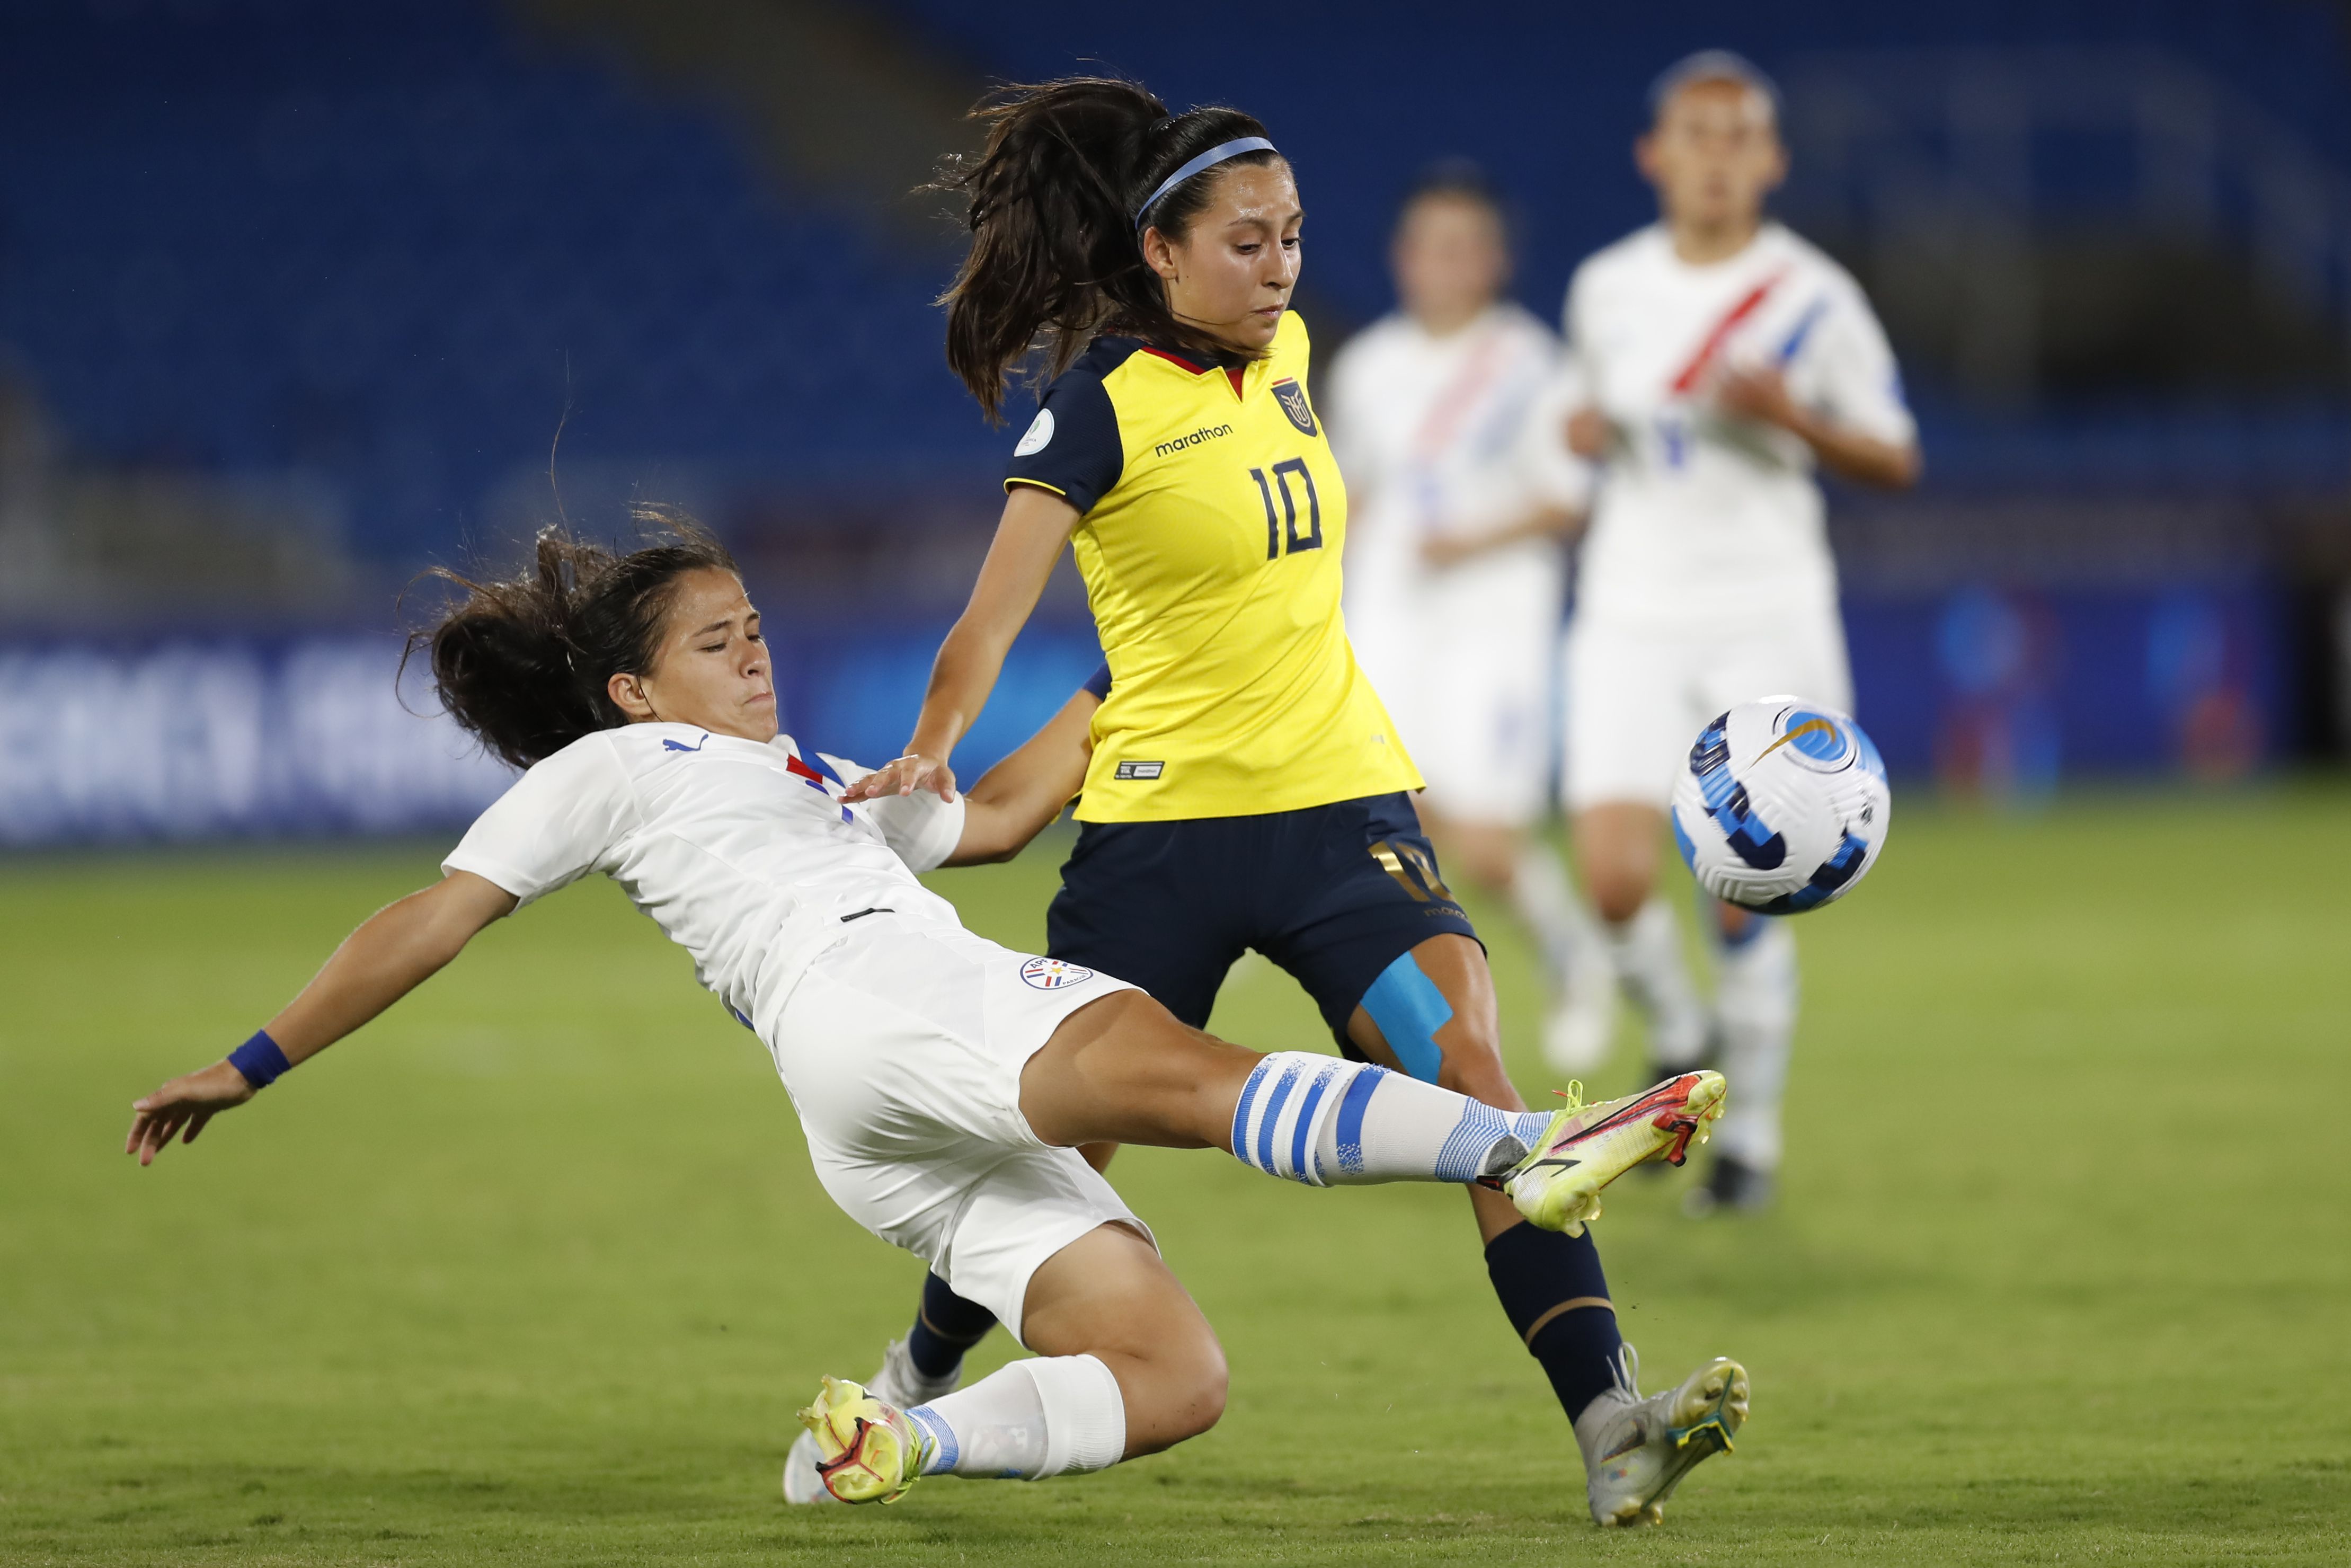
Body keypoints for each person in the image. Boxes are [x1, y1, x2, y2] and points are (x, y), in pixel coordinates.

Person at [120, 519, 1736, 1512]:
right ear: (631, 692)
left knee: (1173, 1376)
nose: (751, 648)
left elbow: (1003, 816)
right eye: (713, 639)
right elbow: (432, 917)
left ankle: (890, 1443)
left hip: (864, 1124)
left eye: (754, 626)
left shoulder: (809, 784)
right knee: (1173, 1074)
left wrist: (1148, 678)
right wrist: (252, 1061)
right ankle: (1523, 1147)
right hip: (881, 999)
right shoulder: (610, 772)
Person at [808, 76, 1748, 1526]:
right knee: (1055, 1154)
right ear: (1158, 254)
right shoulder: (1096, 408)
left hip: (1339, 815)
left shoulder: (1295, 351)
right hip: (1153, 847)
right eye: (1245, 242)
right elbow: (991, 624)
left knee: (1478, 1086)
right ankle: (914, 1379)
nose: (1280, 266)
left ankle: (1611, 1418)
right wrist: (938, 746)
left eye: (1293, 235)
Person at [1556, 51, 1920, 1212]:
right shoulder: (1606, 286)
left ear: (1769, 160)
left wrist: (1790, 417)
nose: (1714, 157)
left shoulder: (1813, 294)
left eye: (1736, 137)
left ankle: (1749, 1136)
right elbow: (1596, 419)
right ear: (1653, 155)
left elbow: (1896, 455)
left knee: (1747, 891)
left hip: (1763, 606)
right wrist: (1581, 432)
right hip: (1628, 603)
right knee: (1611, 878)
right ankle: (1674, 1029)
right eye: (1693, 136)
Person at [1327, 161, 1615, 1074]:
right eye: (1427, 246)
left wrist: (1473, 539)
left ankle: (1578, 960)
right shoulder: (1368, 366)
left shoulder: (1532, 365)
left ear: (1492, 260)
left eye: (1462, 247)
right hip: (1390, 618)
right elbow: (1348, 492)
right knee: (1392, 830)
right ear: (1403, 257)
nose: (1442, 264)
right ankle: (1431, 1038)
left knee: (1487, 845)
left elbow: (1571, 497)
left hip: (1494, 619)